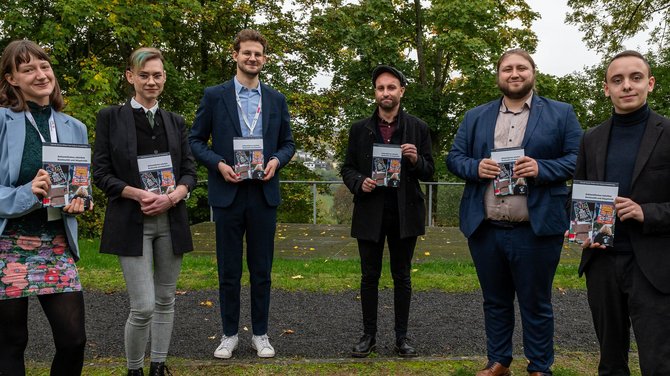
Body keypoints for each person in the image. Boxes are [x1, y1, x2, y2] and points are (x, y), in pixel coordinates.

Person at [446, 49, 582, 376]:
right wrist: (476, 167)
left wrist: (541, 167)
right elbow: (454, 158)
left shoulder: (561, 114)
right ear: (499, 75)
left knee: (536, 304)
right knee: (495, 302)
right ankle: (499, 363)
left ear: (533, 72)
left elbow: (579, 159)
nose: (514, 73)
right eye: (507, 68)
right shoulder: (475, 116)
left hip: (535, 228)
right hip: (486, 227)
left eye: (521, 67)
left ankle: (539, 367)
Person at [189, 29, 295, 359]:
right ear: (234, 55)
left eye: (258, 54)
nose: (252, 58)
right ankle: (229, 334)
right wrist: (219, 164)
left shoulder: (276, 99)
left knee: (262, 270)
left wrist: (277, 161)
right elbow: (194, 141)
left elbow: (288, 143)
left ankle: (261, 334)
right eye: (246, 52)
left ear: (265, 59)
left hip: (263, 194)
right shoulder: (214, 95)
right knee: (229, 270)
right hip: (228, 193)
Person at [93, 47, 196, 376]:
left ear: (164, 78)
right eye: (144, 75)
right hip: (131, 221)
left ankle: (158, 365)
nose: (151, 81)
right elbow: (100, 173)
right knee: (143, 306)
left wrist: (175, 195)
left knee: (166, 300)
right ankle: (134, 369)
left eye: (157, 75)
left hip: (171, 220)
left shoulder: (175, 122)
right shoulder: (110, 117)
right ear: (130, 77)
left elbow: (189, 172)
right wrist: (136, 193)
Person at [576, 50, 670, 376]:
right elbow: (580, 194)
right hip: (602, 263)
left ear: (650, 83)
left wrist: (647, 212)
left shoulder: (668, 133)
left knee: (658, 363)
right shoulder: (591, 138)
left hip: (654, 268)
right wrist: (581, 229)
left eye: (635, 78)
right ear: (606, 88)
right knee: (611, 362)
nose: (626, 86)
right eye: (617, 80)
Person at [0, 39, 90, 376]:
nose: (40, 74)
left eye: (44, 66)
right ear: (12, 79)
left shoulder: (74, 127)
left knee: (73, 340)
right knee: (11, 341)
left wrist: (81, 201)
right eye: (28, 69)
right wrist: (27, 192)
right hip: (6, 245)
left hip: (55, 245)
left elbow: (81, 185)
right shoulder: (2, 121)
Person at [341, 65, 434, 358]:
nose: (386, 93)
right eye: (381, 88)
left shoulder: (417, 128)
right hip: (370, 211)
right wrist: (359, 182)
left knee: (402, 276)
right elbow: (347, 167)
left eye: (391, 87)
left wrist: (416, 159)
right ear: (375, 93)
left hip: (404, 213)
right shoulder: (360, 129)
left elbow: (430, 171)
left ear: (401, 91)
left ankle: (401, 337)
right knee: (369, 276)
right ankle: (368, 335)